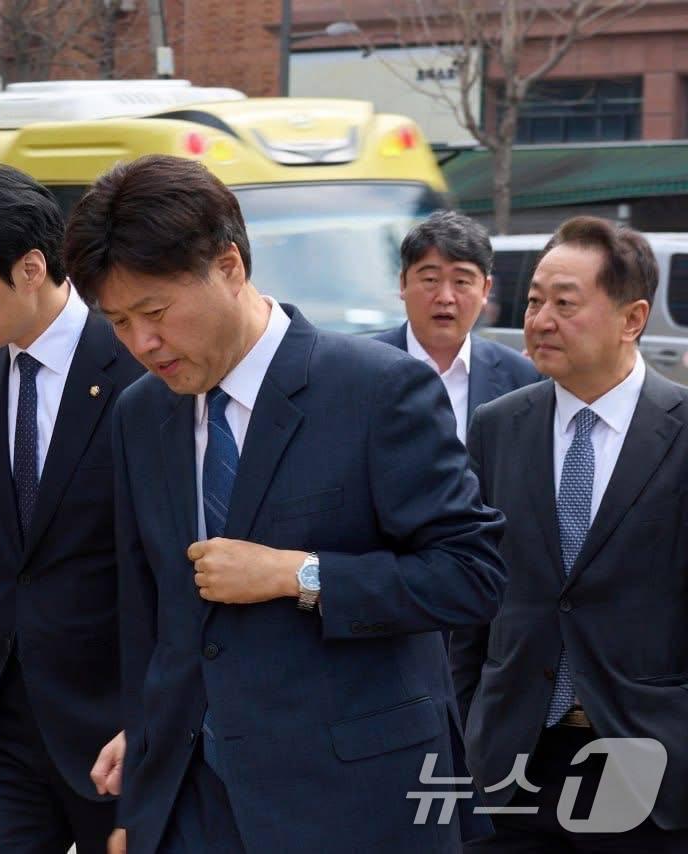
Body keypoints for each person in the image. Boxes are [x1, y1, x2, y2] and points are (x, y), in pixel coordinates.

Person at [63, 155, 507, 854]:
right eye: (118, 322)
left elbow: (472, 575)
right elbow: (152, 622)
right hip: (191, 805)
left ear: (230, 266)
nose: (143, 344)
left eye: (154, 311)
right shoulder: (140, 414)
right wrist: (142, 802)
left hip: (354, 802)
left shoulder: (376, 390)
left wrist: (297, 574)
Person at [0, 164, 144, 853]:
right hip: (4, 731)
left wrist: (156, 716)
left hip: (116, 730)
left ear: (31, 268)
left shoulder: (135, 368)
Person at [453, 217, 688, 851]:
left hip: (649, 764)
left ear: (633, 319)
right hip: (514, 759)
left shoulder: (681, 430)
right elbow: (473, 590)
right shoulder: (499, 427)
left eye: (565, 303)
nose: (541, 319)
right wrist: (472, 713)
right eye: (533, 301)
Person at [375, 211, 539, 443]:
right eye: (431, 279)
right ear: (403, 283)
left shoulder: (522, 378)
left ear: (485, 290)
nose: (445, 297)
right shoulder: (363, 367)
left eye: (461, 282)